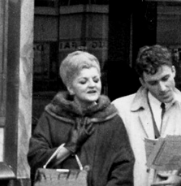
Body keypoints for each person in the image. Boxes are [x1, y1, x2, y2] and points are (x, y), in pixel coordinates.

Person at [29, 50, 134, 186]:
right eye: (83, 81)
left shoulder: (112, 120)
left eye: (96, 80)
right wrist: (68, 147)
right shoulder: (52, 117)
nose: (92, 85)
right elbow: (35, 158)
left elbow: (123, 166)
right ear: (70, 88)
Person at [112, 46, 181, 186]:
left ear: (173, 71)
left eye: (165, 78)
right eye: (153, 83)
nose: (162, 88)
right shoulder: (120, 108)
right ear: (142, 82)